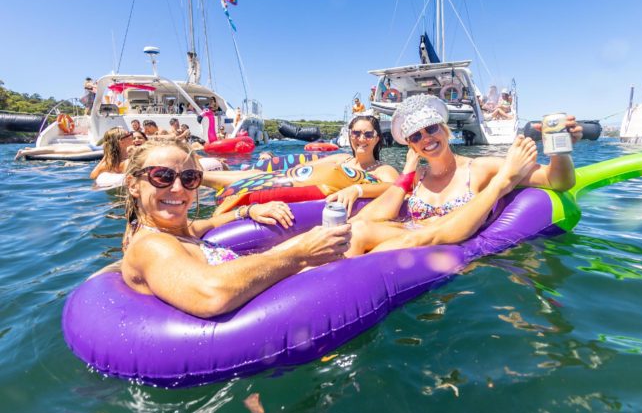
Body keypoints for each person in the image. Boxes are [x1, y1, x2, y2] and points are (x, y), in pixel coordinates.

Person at [120, 136, 351, 317]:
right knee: (360, 237)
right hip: (258, 322)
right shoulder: (151, 245)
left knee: (353, 233)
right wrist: (301, 254)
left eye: (189, 178)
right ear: (133, 185)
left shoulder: (176, 231)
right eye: (162, 176)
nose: (179, 188)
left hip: (260, 286)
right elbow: (211, 294)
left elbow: (210, 222)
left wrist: (248, 211)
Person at [346, 94, 582, 254]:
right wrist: (407, 170)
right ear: (411, 146)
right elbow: (378, 214)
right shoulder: (418, 176)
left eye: (431, 129)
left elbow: (556, 181)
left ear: (445, 130)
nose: (426, 138)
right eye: (416, 137)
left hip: (444, 250)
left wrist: (559, 150)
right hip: (411, 235)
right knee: (356, 228)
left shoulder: (479, 168)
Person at [200, 115, 399, 213]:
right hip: (289, 180)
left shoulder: (382, 169)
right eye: (356, 133)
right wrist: (269, 161)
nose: (361, 139)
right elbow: (304, 166)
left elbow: (398, 189)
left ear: (377, 138)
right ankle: (197, 177)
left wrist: (358, 190)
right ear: (350, 136)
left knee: (262, 179)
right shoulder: (341, 159)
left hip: (306, 197)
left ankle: (200, 177)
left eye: (368, 134)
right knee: (259, 176)